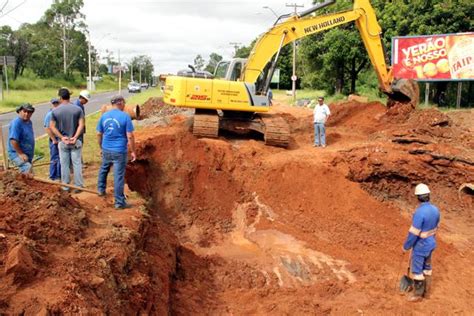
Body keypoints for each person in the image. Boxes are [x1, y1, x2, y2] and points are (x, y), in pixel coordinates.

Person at [96, 95, 137, 209]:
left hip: (106, 149)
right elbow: (130, 135)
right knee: (118, 176)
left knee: (104, 168)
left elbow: (99, 134)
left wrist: (101, 147)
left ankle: (100, 189)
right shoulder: (125, 117)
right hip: (119, 151)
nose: (125, 105)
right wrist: (133, 151)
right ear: (120, 103)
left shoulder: (104, 116)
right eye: (124, 103)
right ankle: (119, 202)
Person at [402, 183, 440, 302]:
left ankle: (418, 295)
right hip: (431, 243)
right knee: (427, 267)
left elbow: (414, 233)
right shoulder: (435, 209)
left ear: (418, 197)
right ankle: (426, 291)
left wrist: (406, 246)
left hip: (421, 245)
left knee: (417, 269)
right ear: (428, 195)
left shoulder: (419, 213)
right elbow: (436, 227)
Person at [49, 88, 85, 191]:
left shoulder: (55, 111)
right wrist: (75, 136)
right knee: (77, 163)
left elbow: (52, 126)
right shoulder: (78, 109)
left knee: (64, 164)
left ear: (60, 97)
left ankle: (65, 186)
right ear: (69, 96)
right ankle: (78, 186)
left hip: (63, 142)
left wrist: (61, 137)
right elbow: (81, 125)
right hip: (75, 141)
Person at [7, 103, 35, 174]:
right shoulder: (16, 123)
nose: (26, 114)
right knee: (27, 168)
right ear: (19, 111)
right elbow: (13, 140)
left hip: (27, 153)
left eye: (29, 112)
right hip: (16, 153)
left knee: (28, 172)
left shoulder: (29, 122)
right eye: (24, 111)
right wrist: (21, 154)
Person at [44, 98, 61, 180]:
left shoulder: (59, 113)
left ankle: (59, 175)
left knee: (60, 157)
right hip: (54, 138)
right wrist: (53, 139)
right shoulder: (50, 114)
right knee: (55, 158)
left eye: (57, 103)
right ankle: (53, 176)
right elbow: (47, 128)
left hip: (60, 137)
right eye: (54, 103)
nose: (55, 105)